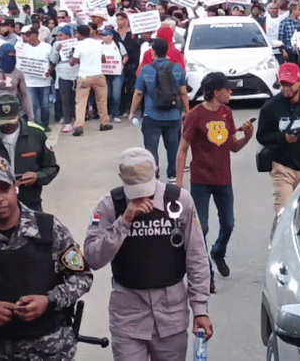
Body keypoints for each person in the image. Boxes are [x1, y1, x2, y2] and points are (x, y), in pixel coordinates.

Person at [0, 157, 92, 361]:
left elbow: (82, 277)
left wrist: (48, 300)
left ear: (15, 187)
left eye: (4, 189)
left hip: (53, 352)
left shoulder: (49, 229)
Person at [83, 148, 212, 360]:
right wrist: (123, 222)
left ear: (157, 172)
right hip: (128, 317)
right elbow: (92, 258)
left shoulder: (180, 201)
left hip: (171, 316)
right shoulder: (109, 205)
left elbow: (197, 257)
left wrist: (200, 310)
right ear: (121, 179)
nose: (142, 196)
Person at [175, 73, 253, 293]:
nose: (230, 92)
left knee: (228, 224)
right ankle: (206, 273)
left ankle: (218, 252)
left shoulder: (226, 113)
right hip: (201, 180)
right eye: (227, 89)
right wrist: (179, 183)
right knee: (202, 228)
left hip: (223, 180)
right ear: (216, 91)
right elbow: (182, 149)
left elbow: (232, 147)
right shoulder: (194, 115)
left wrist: (247, 137)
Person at [0, 94, 59, 212]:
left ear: (19, 114)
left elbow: (51, 167)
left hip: (30, 204)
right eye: (3, 123)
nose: (8, 126)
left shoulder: (36, 134)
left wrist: (37, 176)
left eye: (11, 122)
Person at [256, 63, 300, 213]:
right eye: (283, 84)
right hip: (282, 168)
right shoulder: (270, 107)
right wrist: (283, 138)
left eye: (290, 84)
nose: (287, 88)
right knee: (285, 214)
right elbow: (262, 135)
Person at [129, 38, 190, 182]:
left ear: (153, 51)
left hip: (152, 115)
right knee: (173, 147)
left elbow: (138, 93)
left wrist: (132, 112)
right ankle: (173, 175)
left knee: (151, 148)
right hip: (173, 115)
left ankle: (153, 175)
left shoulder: (146, 69)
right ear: (167, 51)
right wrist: (187, 111)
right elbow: (183, 92)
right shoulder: (177, 68)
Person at [70, 25, 113, 136]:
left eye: (77, 33)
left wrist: (73, 58)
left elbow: (73, 62)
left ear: (80, 34)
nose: (76, 35)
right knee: (102, 101)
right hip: (98, 75)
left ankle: (79, 125)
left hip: (84, 76)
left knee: (80, 102)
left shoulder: (79, 45)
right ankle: (104, 123)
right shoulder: (99, 43)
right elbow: (104, 59)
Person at [21, 26, 54, 130]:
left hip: (44, 81)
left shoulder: (47, 47)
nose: (26, 39)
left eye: (29, 36)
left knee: (45, 105)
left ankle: (45, 124)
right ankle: (36, 125)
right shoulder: (23, 48)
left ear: (35, 36)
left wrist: (50, 70)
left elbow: (52, 61)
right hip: (29, 82)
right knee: (33, 104)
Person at [51, 26, 79, 133]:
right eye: (57, 35)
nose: (58, 37)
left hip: (76, 72)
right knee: (65, 98)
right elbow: (53, 60)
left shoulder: (76, 43)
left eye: (60, 35)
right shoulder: (55, 44)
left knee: (77, 98)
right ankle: (67, 122)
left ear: (67, 35)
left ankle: (78, 119)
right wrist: (57, 51)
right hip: (63, 73)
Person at [100, 27, 127, 123]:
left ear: (111, 36)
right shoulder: (99, 45)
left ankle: (115, 114)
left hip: (116, 73)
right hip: (104, 74)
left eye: (105, 35)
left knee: (116, 94)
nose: (102, 37)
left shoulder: (118, 45)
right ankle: (105, 114)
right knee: (107, 95)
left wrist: (122, 64)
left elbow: (125, 56)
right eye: (102, 35)